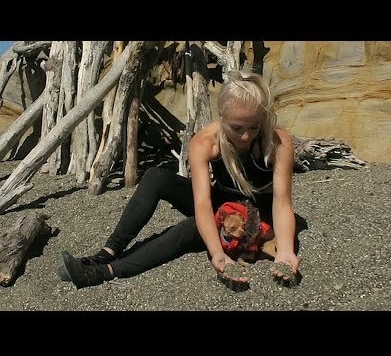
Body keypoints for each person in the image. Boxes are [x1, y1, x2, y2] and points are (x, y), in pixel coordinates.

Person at [58, 69, 301, 290]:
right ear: (222, 118)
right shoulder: (206, 142)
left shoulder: (277, 142)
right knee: (156, 177)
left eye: (254, 127)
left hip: (258, 212)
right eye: (237, 128)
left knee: (190, 227)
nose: (246, 136)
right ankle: (107, 253)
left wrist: (286, 251)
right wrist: (217, 251)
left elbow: (281, 203)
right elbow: (203, 203)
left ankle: (104, 272)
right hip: (223, 202)